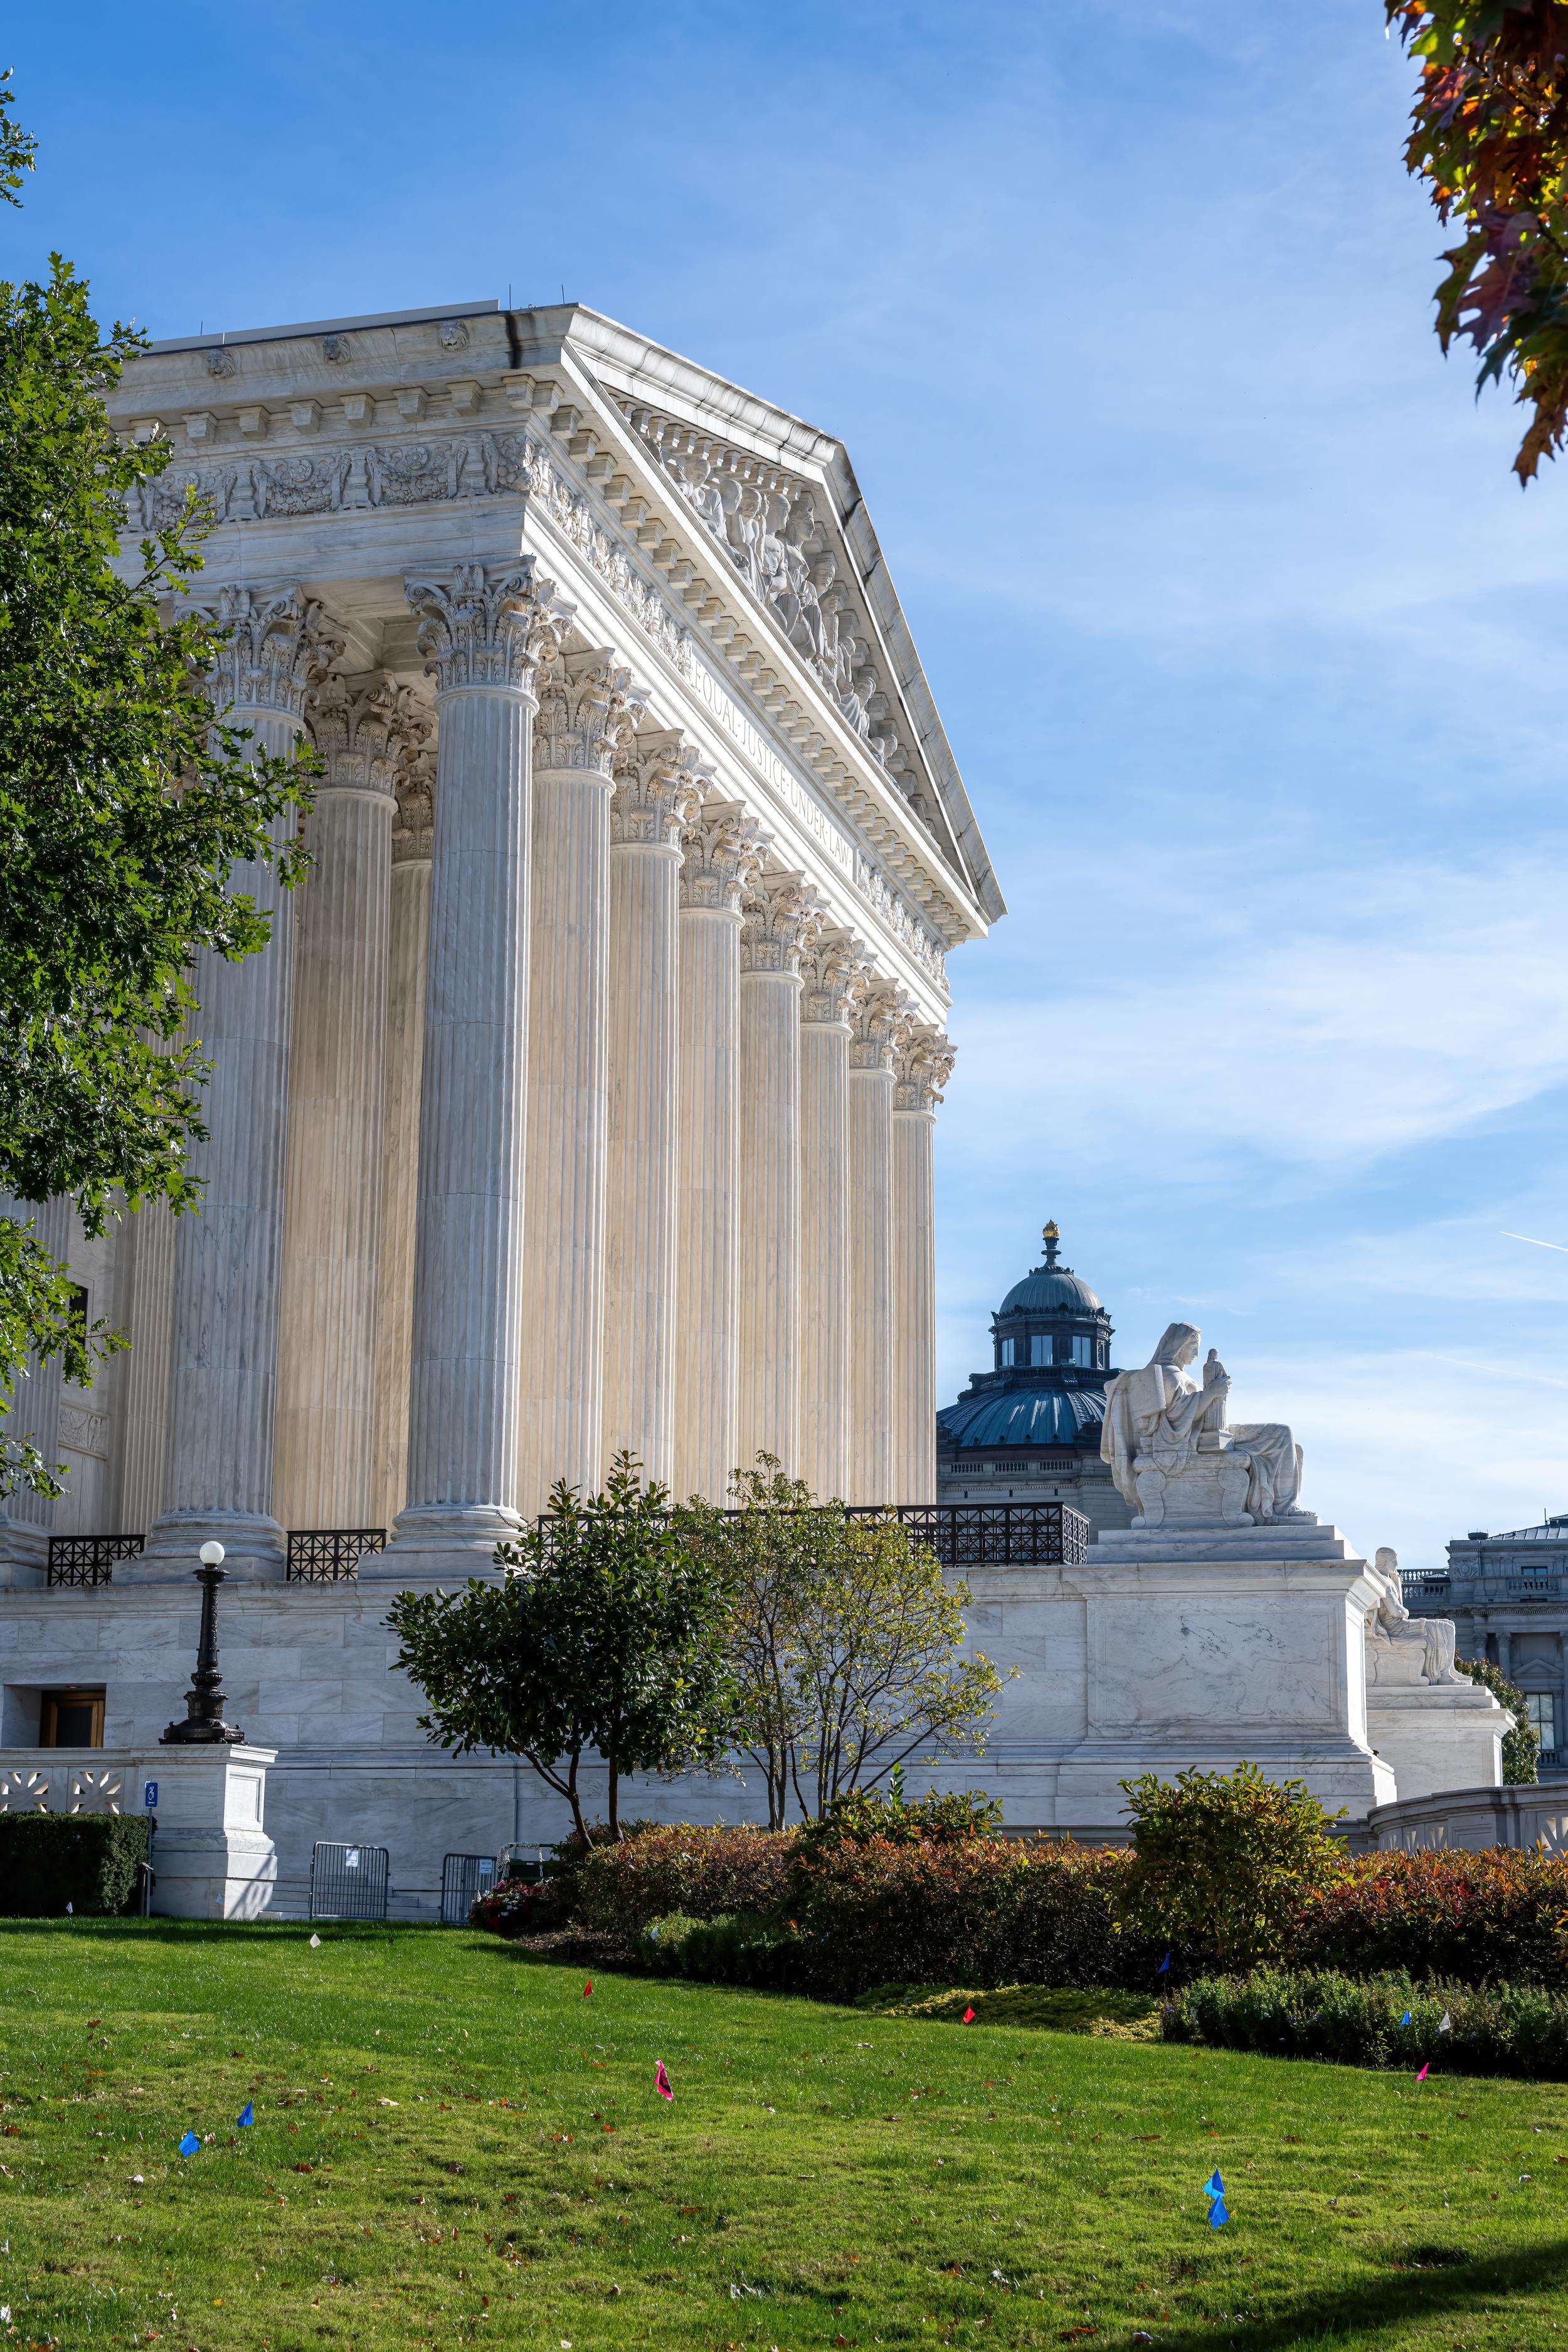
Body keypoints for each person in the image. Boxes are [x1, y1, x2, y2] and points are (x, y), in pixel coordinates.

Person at [1100, 1321, 1305, 1523]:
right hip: (1191, 1442)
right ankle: (1284, 1509)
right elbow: (1175, 1419)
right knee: (1281, 1435)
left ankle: (1284, 1507)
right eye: (1193, 1346)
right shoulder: (1166, 1375)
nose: (1196, 1354)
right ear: (1178, 1346)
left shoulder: (1177, 1375)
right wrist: (1212, 1393)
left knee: (1291, 1444)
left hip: (1205, 1434)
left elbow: (1188, 1413)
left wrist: (1214, 1395)